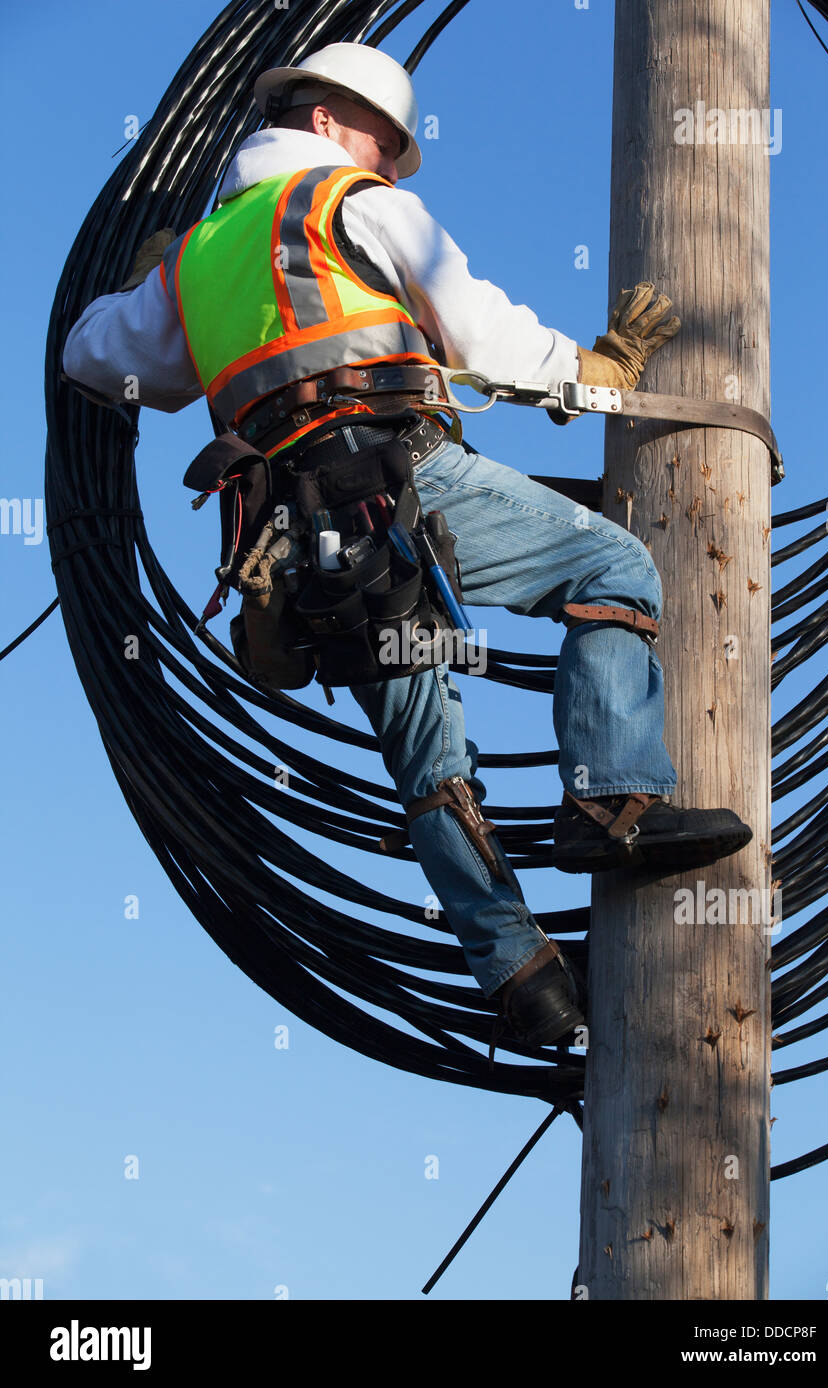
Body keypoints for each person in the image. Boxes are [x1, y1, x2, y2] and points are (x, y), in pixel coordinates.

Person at [62, 42, 752, 1054]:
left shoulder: (194, 258)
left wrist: (147, 280)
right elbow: (481, 333)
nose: (390, 163)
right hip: (398, 477)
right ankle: (611, 803)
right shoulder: (353, 203)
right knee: (612, 567)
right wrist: (590, 369)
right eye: (388, 144)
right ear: (339, 122)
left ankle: (524, 982)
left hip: (296, 540)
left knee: (429, 757)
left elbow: (95, 354)